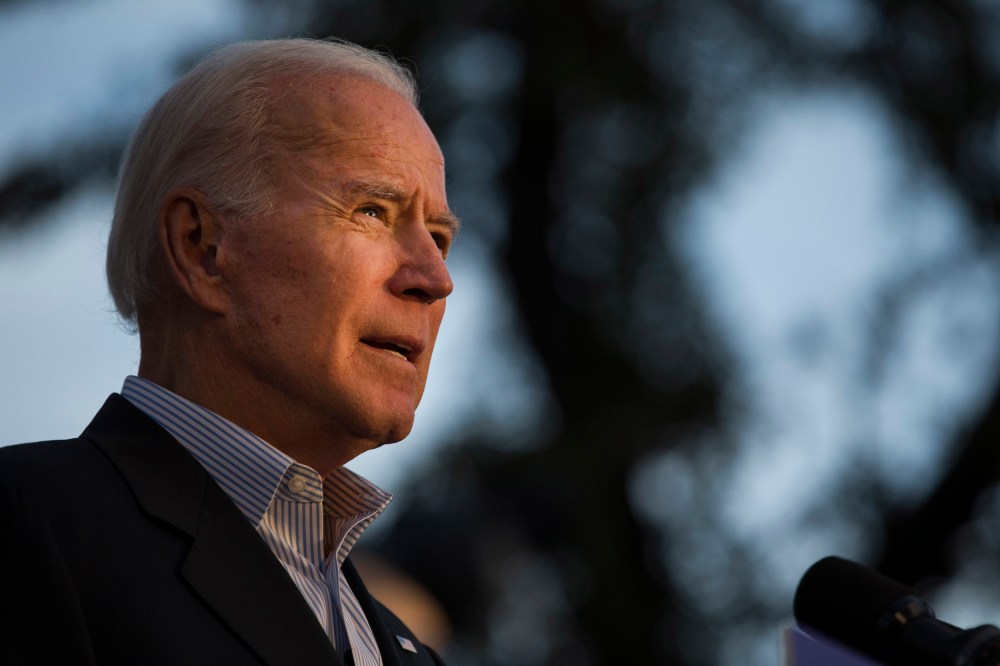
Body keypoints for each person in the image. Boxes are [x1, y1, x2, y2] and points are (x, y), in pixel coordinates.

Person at [0, 37, 458, 666]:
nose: (435, 278)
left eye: (439, 236)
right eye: (373, 211)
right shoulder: (25, 527)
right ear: (201, 248)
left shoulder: (411, 652)